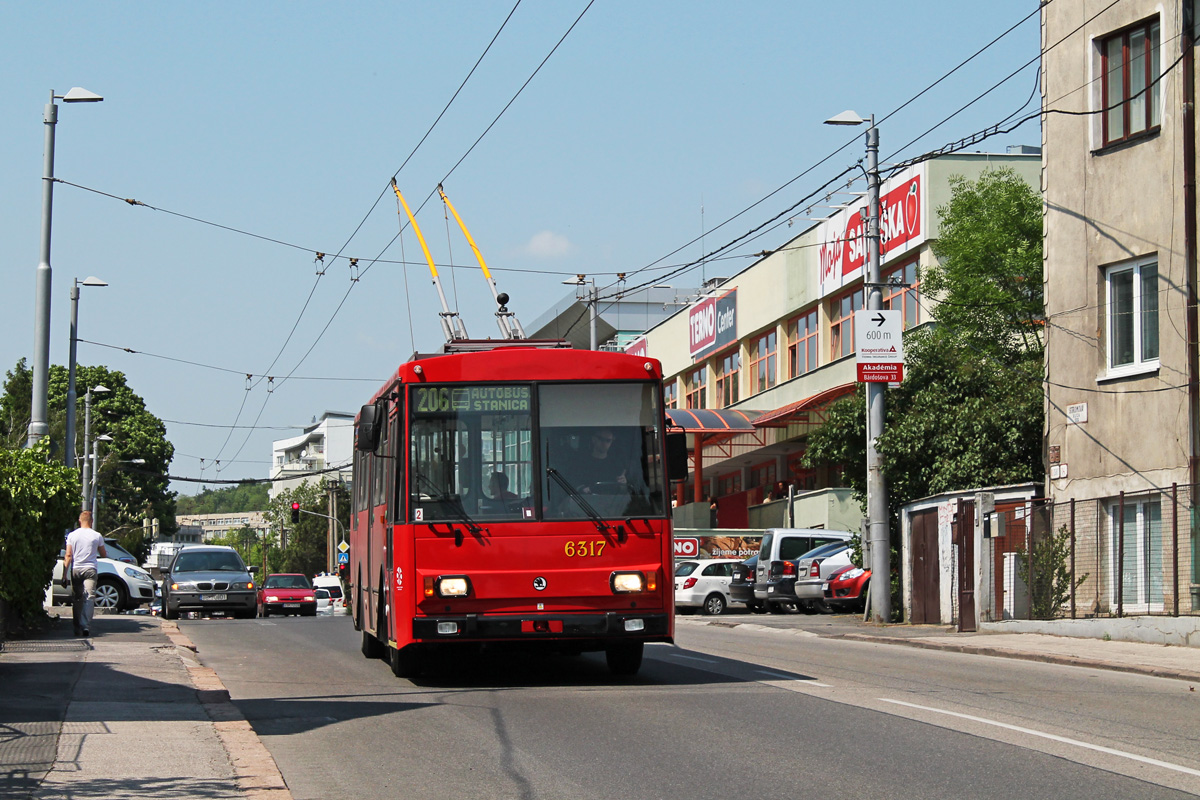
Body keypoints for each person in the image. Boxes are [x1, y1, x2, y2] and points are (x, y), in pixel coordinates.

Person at [62, 511, 107, 637]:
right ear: (91, 521)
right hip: (90, 569)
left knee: (77, 598)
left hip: (76, 569)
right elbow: (103, 554)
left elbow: (68, 555)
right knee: (89, 597)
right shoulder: (97, 536)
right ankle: (85, 625)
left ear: (80, 521)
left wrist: (65, 575)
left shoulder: (72, 535)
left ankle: (77, 626)